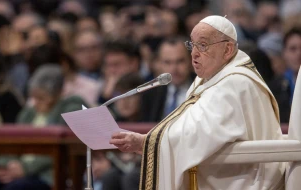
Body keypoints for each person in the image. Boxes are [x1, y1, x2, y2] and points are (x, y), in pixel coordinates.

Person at [110, 15, 285, 190]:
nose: (194, 53)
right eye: (192, 45)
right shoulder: (208, 79)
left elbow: (201, 132)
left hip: (243, 180)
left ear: (228, 49)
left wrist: (144, 142)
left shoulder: (236, 83)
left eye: (203, 45)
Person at [141, 37, 193, 122]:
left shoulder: (204, 88)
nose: (174, 69)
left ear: (191, 60)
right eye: (167, 62)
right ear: (159, 64)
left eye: (180, 61)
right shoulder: (151, 93)